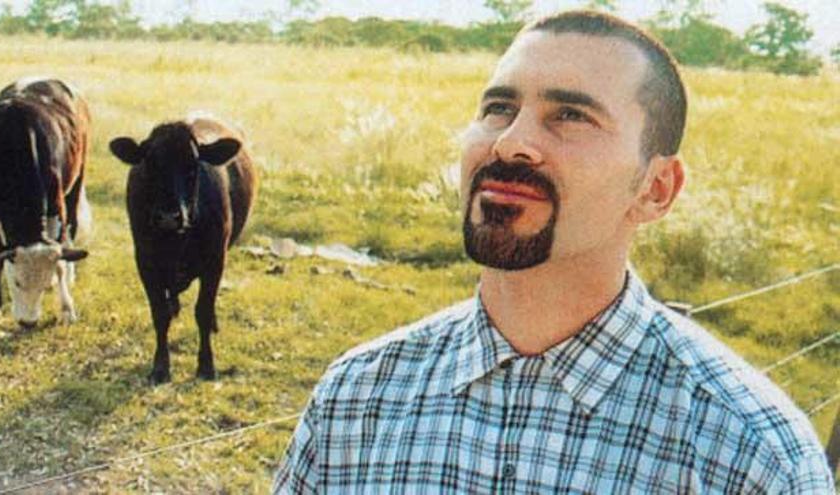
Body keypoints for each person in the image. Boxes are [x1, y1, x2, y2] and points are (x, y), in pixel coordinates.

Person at [274, 11, 835, 493]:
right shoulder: (357, 399)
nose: (510, 141)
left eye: (570, 115)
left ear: (655, 189)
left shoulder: (750, 455)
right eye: (498, 107)